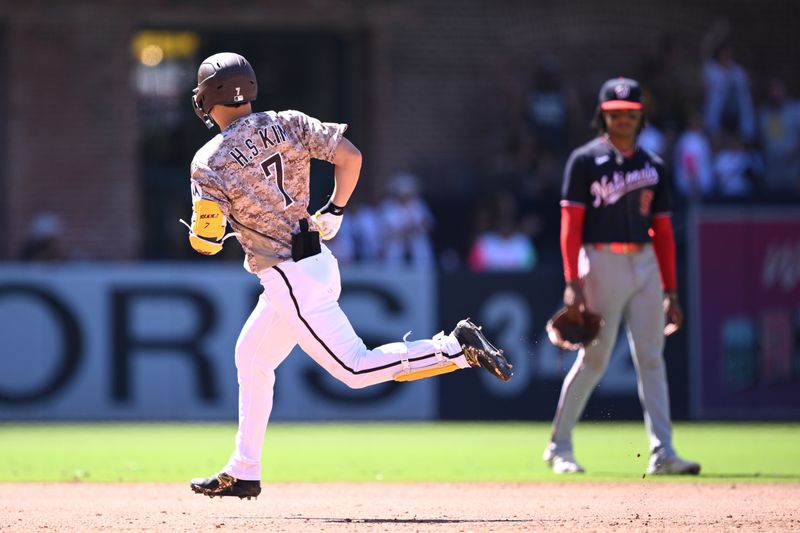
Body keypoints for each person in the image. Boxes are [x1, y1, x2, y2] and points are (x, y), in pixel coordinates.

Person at [182, 53, 513, 499]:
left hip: (287, 274)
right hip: (316, 258)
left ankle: (453, 347)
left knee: (354, 369)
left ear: (207, 98)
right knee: (252, 357)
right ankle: (244, 468)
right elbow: (350, 157)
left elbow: (205, 238)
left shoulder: (209, 160)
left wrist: (205, 235)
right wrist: (335, 209)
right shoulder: (287, 121)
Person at [542, 77, 700, 476]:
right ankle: (559, 447)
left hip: (646, 263)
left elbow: (663, 233)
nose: (624, 120)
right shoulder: (584, 160)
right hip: (601, 260)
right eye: (616, 114)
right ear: (603, 116)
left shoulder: (653, 166)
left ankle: (663, 452)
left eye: (630, 113)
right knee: (594, 358)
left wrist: (671, 291)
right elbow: (570, 226)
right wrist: (572, 280)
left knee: (651, 357)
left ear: (641, 115)